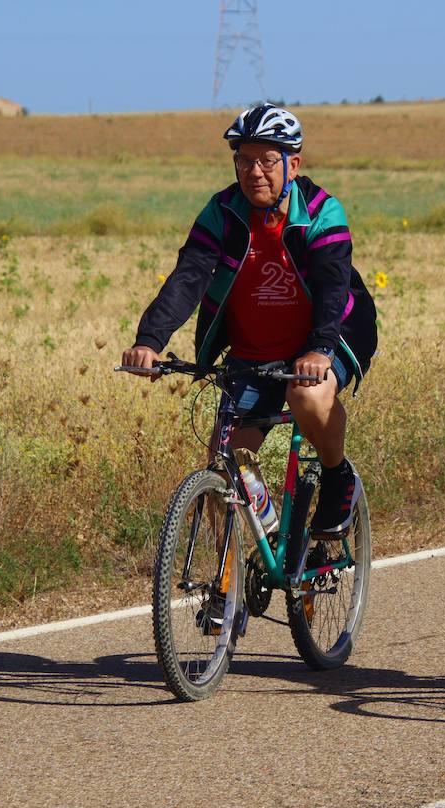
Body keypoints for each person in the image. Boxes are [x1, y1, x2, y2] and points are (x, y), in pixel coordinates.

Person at [123, 104, 377, 537]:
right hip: (255, 351)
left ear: (292, 164)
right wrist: (149, 341)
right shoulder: (223, 212)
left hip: (327, 337)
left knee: (307, 397)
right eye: (243, 159)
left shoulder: (320, 211)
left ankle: (337, 478)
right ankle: (241, 578)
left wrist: (320, 349)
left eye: (266, 159)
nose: (253, 171)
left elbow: (333, 286)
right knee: (226, 473)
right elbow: (189, 277)